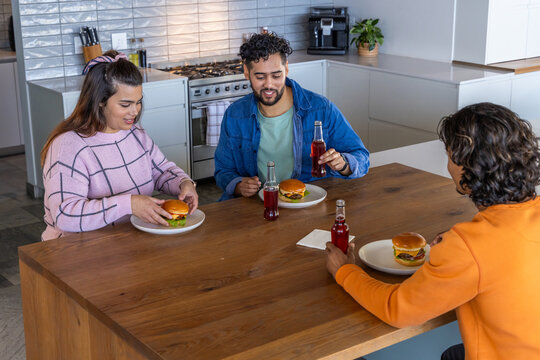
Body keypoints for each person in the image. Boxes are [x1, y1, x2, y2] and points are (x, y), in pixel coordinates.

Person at [325, 102, 540, 360]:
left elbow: (398, 310)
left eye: (449, 156)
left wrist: (344, 270)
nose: (448, 166)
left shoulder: (468, 247)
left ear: (467, 168)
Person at [40, 50, 198, 241]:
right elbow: (65, 215)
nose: (135, 111)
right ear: (99, 102)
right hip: (77, 250)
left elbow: (161, 171)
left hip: (128, 242)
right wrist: (129, 204)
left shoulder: (135, 134)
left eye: (138, 102)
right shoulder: (68, 146)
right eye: (125, 105)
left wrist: (184, 183)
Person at [214, 33, 370, 200]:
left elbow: (362, 157)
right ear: (246, 72)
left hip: (307, 202)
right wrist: (238, 186)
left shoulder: (322, 109)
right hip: (256, 206)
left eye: (276, 75)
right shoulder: (235, 114)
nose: (268, 85)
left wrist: (343, 163)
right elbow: (223, 171)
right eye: (260, 77)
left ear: (286, 68)